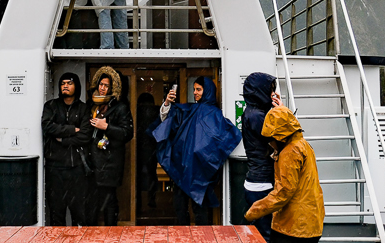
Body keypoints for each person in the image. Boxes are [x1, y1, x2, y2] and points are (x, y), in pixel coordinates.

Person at [154, 76, 241, 225]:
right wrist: (167, 103)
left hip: (199, 170)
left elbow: (224, 136)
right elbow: (169, 121)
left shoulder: (214, 114)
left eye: (198, 89)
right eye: (194, 89)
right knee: (181, 207)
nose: (195, 92)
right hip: (186, 169)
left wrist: (203, 156)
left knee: (197, 210)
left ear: (207, 90)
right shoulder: (190, 110)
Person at [244, 106, 325, 243]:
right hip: (311, 222)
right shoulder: (304, 145)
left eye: (271, 138)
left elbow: (283, 193)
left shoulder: (290, 152)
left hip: (293, 227)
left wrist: (253, 212)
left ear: (279, 136)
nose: (270, 143)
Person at [41, 72, 92, 225]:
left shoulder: (84, 109)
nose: (65, 86)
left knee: (79, 211)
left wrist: (62, 139)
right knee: (57, 212)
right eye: (63, 83)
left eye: (69, 83)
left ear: (76, 86)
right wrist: (71, 129)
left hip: (77, 168)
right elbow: (47, 127)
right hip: (54, 168)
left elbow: (85, 136)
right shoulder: (51, 106)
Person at [86, 66, 134, 225]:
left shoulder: (120, 107)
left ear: (113, 87)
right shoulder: (92, 104)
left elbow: (127, 133)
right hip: (91, 162)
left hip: (110, 163)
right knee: (92, 201)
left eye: (106, 85)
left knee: (109, 201)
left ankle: (111, 235)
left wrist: (107, 127)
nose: (102, 88)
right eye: (101, 84)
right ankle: (91, 236)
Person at [241, 72, 282, 241]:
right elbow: (280, 140)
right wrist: (281, 111)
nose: (272, 94)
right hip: (263, 183)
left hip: (255, 181)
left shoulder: (251, 112)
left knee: (256, 233)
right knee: (266, 235)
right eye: (270, 90)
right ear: (260, 91)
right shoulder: (258, 116)